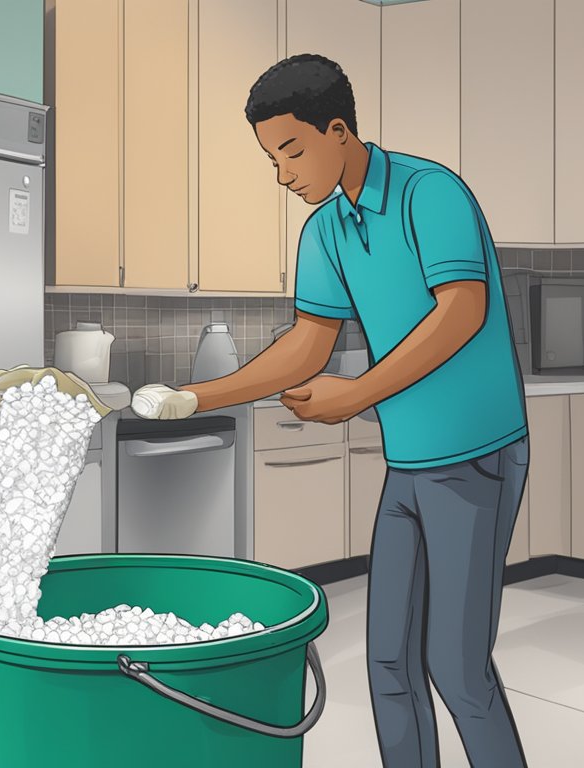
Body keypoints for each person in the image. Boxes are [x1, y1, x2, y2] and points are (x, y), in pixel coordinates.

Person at [130, 54, 531, 768]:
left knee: (457, 666)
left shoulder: (428, 194)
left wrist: (359, 393)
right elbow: (308, 346)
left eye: (291, 150)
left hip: (474, 454)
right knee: (387, 664)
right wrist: (195, 398)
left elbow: (462, 312)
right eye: (270, 157)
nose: (282, 173)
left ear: (337, 130)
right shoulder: (325, 232)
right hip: (409, 464)